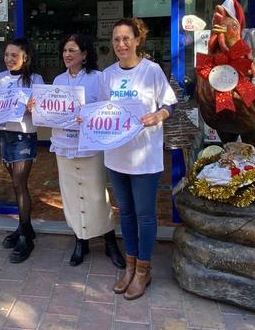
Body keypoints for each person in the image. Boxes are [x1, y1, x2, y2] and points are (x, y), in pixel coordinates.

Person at [101, 18, 177, 300]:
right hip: (116, 155)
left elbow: (168, 103)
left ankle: (144, 269)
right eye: (116, 39)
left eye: (126, 39)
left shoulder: (151, 71)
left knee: (145, 214)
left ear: (137, 40)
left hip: (145, 156)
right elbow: (99, 109)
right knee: (127, 213)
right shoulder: (107, 75)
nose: (121, 44)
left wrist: (159, 115)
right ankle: (130, 264)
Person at [50, 34, 125, 268]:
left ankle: (109, 240)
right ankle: (80, 241)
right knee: (70, 194)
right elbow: (50, 109)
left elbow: (107, 109)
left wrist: (89, 115)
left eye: (72, 50)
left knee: (96, 195)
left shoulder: (98, 78)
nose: (67, 55)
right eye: (65, 50)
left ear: (84, 54)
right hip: (64, 145)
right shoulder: (58, 80)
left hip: (90, 146)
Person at [0, 38, 44, 263]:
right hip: (5, 134)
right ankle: (25, 227)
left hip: (24, 136)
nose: (9, 59)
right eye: (6, 55)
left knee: (19, 184)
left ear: (26, 58)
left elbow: (42, 113)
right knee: (15, 185)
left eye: (14, 55)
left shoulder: (35, 80)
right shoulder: (0, 78)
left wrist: (35, 109)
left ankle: (25, 237)